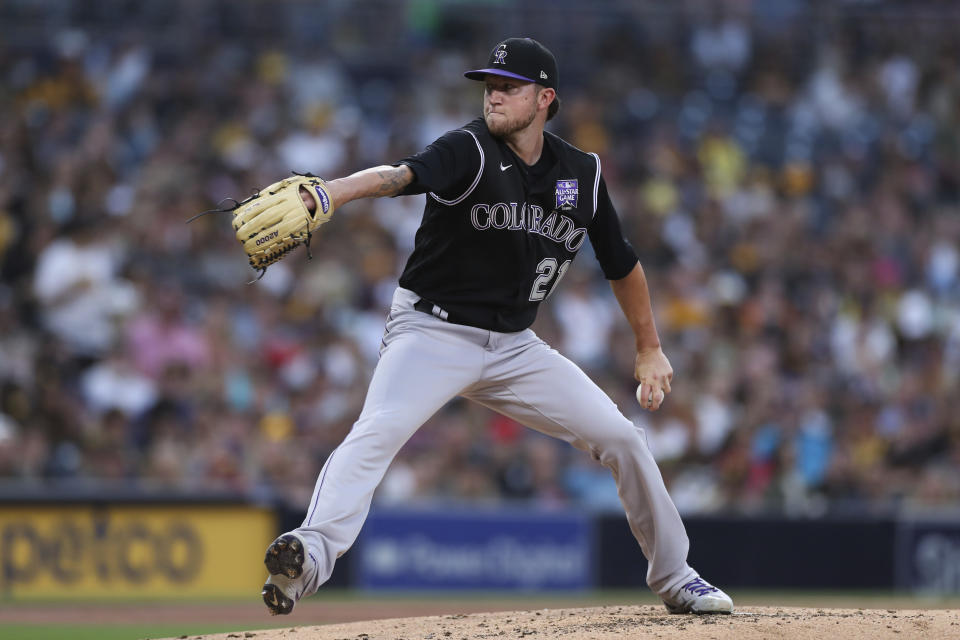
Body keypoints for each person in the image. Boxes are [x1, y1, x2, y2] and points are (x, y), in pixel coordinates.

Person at [260, 37, 733, 616]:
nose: (495, 96)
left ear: (545, 98)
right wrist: (331, 193)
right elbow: (398, 175)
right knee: (378, 431)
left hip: (514, 348)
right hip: (431, 333)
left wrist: (650, 346)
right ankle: (305, 556)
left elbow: (622, 262)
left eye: (509, 86)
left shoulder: (580, 174)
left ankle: (677, 577)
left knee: (622, 439)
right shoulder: (469, 149)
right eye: (490, 86)